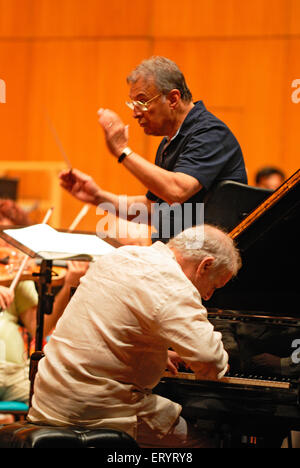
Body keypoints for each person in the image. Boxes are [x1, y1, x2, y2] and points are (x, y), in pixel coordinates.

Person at [28, 224, 241, 448]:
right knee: (201, 444)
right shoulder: (173, 285)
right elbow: (209, 360)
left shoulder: (121, 256)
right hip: (93, 409)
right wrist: (222, 366)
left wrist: (156, 353)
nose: (208, 296)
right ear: (205, 265)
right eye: (214, 286)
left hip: (49, 399)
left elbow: (110, 327)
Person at [60, 56, 247, 243]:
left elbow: (177, 192)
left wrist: (122, 150)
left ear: (173, 99)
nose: (135, 113)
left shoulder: (210, 133)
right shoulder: (169, 142)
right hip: (178, 252)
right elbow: (154, 210)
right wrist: (97, 197)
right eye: (132, 103)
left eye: (142, 102)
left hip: (205, 258)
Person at [0, 199, 89, 412]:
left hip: (14, 375)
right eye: (1, 236)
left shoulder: (18, 275)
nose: (6, 248)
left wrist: (69, 284)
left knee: (64, 402)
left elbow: (40, 327)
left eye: (11, 240)